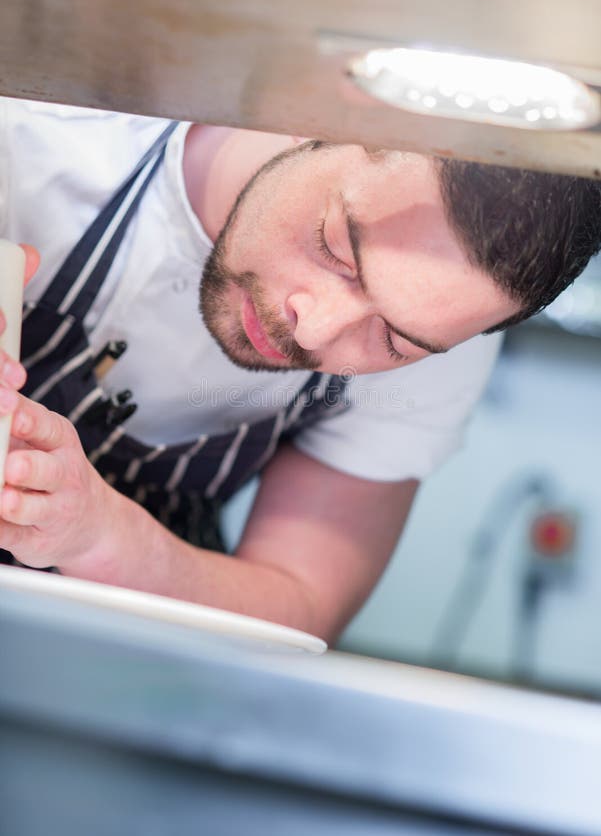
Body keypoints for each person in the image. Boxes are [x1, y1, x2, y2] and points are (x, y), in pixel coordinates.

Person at [0, 98, 599, 644]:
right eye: (337, 248)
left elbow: (302, 601)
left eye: (390, 339)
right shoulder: (38, 134)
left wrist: (100, 533)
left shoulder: (445, 330)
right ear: (313, 115)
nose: (313, 329)